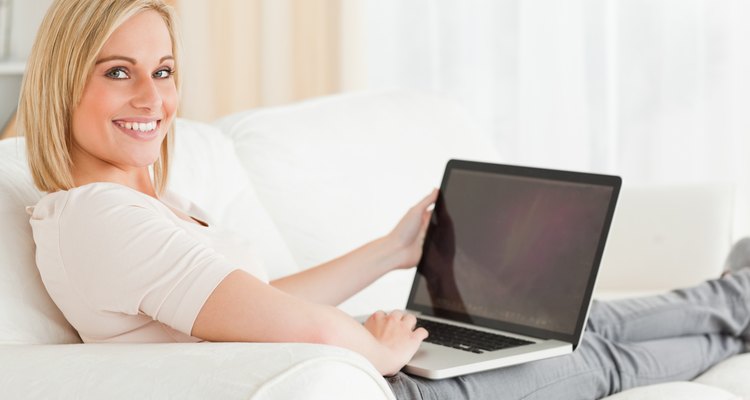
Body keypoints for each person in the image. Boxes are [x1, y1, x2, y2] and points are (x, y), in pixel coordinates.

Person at [18, 0, 750, 399]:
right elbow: (308, 334)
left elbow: (249, 303)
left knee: (585, 324)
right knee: (606, 357)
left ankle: (735, 295)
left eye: (164, 69)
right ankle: (737, 300)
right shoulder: (101, 217)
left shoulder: (140, 201)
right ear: (62, 83)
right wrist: (375, 347)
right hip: (380, 386)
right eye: (119, 72)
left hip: (361, 363)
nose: (153, 97)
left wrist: (393, 251)